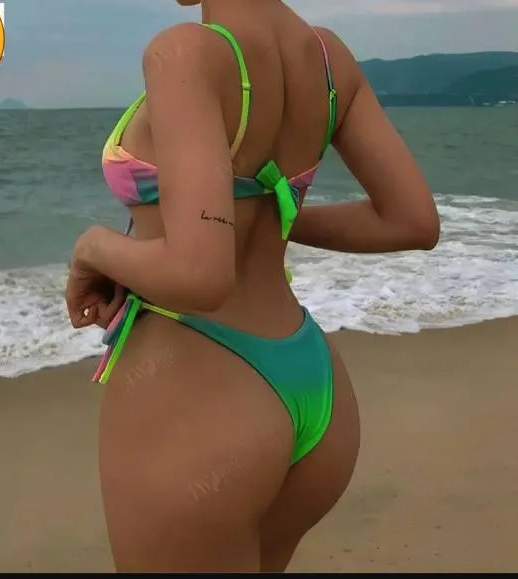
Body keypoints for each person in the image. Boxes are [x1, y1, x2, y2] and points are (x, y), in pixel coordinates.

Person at [65, 0, 440, 572]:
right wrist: (265, 217)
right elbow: (411, 221)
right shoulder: (328, 60)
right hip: (314, 383)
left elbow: (199, 276)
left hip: (203, 389)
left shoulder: (186, 53)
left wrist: (93, 247)